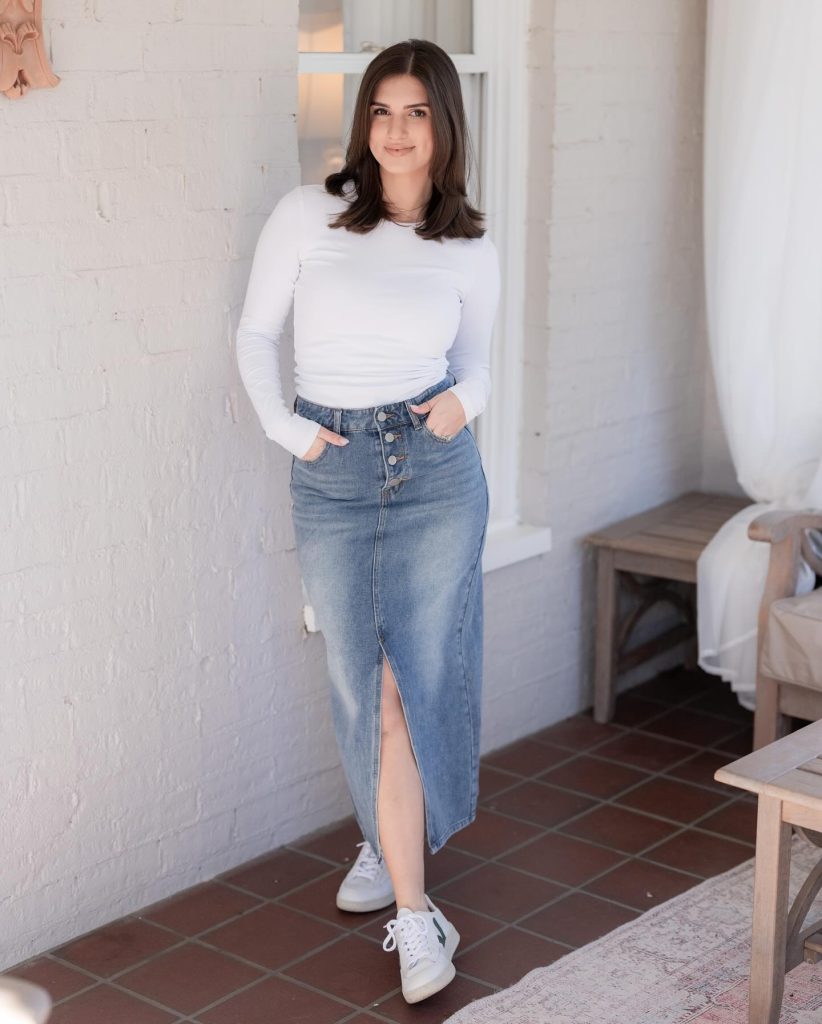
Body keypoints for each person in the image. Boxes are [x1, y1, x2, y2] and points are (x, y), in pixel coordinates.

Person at [235, 37, 501, 1004]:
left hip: (436, 473)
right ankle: (386, 841)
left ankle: (414, 911)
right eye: (381, 112)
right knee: (363, 686)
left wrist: (461, 405)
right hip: (335, 471)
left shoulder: (469, 243)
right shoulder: (309, 216)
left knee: (416, 676)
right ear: (364, 124)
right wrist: (285, 431)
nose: (396, 131)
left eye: (417, 113)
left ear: (443, 126)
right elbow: (256, 332)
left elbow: (478, 364)